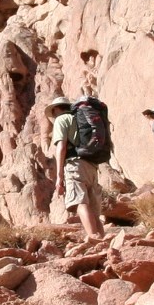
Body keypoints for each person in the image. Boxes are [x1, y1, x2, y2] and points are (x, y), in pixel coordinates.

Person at [49, 96, 105, 237]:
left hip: (75, 164)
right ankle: (102, 239)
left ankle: (93, 237)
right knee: (94, 210)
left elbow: (61, 147)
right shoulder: (80, 119)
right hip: (92, 165)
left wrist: (59, 176)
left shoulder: (61, 120)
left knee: (80, 202)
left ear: (56, 109)